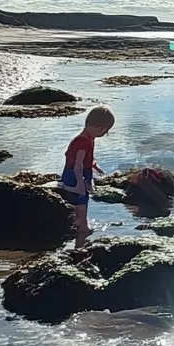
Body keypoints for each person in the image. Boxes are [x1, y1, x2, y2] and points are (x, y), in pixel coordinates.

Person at [61, 105, 115, 247]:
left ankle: (81, 225)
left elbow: (87, 159)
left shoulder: (89, 138)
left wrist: (94, 166)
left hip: (83, 172)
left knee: (83, 200)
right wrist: (79, 183)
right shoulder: (82, 141)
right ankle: (82, 228)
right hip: (74, 174)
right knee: (80, 199)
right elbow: (78, 164)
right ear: (99, 128)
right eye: (105, 131)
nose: (104, 134)